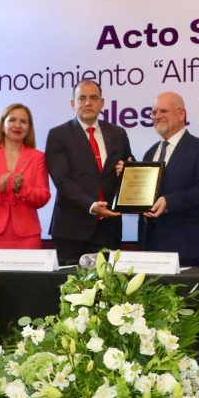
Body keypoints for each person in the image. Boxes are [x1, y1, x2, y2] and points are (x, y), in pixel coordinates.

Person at [45, 80, 133, 264]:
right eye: (82, 98)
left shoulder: (118, 133)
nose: (87, 103)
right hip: (71, 230)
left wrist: (127, 172)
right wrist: (91, 205)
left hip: (108, 230)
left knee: (108, 281)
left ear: (102, 103)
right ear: (73, 103)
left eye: (93, 98)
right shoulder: (58, 135)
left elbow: (129, 167)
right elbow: (62, 180)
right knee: (70, 282)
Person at [138, 92, 199, 267]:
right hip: (151, 247)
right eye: (154, 112)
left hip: (188, 248)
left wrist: (169, 201)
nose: (157, 116)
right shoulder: (150, 152)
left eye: (163, 111)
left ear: (181, 114)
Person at [0, 103, 51, 252]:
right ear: (2, 124)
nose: (17, 125)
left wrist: (22, 190)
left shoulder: (38, 157)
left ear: (29, 128)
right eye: (12, 120)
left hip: (27, 237)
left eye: (23, 122)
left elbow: (44, 196)